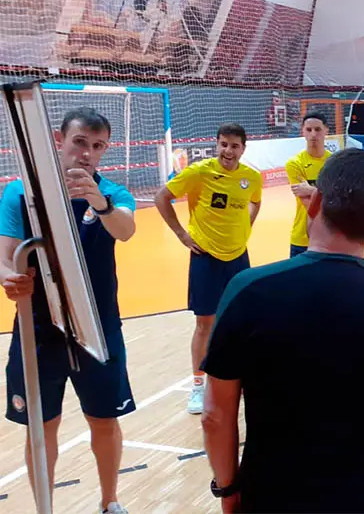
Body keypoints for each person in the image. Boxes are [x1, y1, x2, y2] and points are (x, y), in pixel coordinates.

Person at [200, 148, 364, 514]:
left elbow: (215, 414)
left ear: (315, 203)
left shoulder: (248, 290)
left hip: (271, 497)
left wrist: (228, 487)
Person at [1, 108, 137, 514]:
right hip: (39, 329)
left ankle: (110, 501)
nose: (87, 154)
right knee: (42, 428)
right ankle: (46, 507)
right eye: (80, 143)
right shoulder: (20, 192)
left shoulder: (114, 193)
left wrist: (100, 201)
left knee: (105, 421)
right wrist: (9, 278)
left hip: (98, 328)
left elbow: (126, 229)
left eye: (97, 147)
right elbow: (6, 256)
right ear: (59, 141)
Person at [154, 123, 262, 415]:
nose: (228, 151)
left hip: (239, 257)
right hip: (206, 257)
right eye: (224, 144)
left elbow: (255, 202)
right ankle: (199, 386)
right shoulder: (199, 173)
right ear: (216, 145)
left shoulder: (251, 177)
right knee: (205, 324)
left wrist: (244, 228)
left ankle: (239, 377)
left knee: (240, 321)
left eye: (234, 146)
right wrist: (181, 234)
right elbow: (161, 197)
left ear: (243, 148)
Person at [286, 111, 332, 257]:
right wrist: (326, 194)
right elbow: (309, 204)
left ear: (326, 131)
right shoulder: (295, 164)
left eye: (317, 129)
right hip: (302, 238)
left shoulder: (334, 162)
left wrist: (311, 190)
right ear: (303, 132)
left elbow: (338, 201)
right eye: (309, 130)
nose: (313, 134)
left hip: (330, 238)